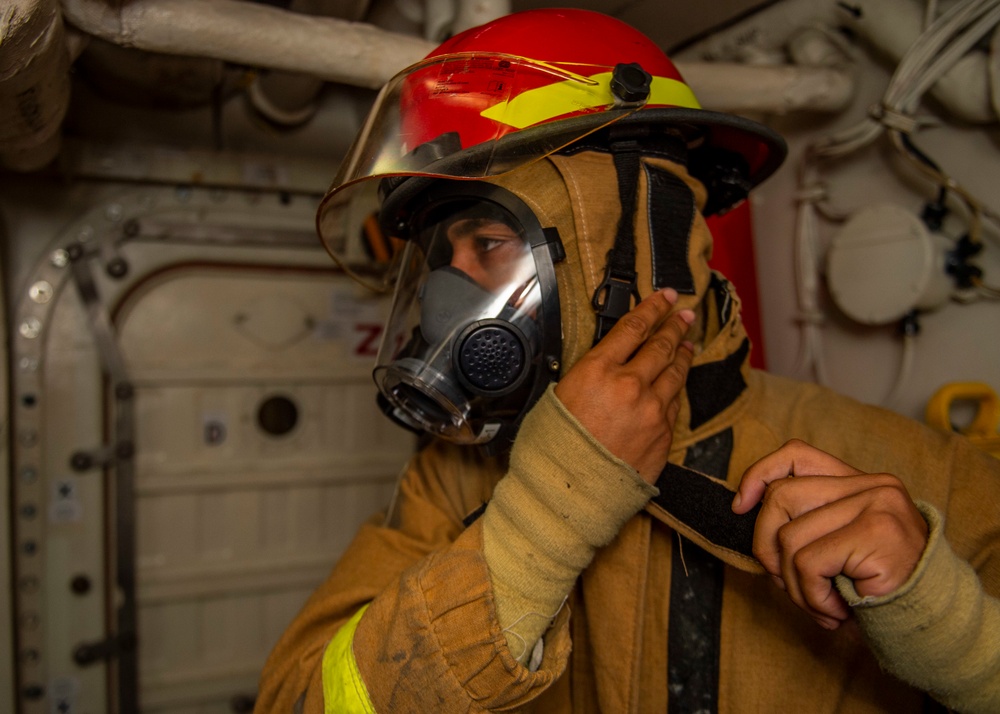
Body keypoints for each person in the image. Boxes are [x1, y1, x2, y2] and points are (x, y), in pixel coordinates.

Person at [255, 8, 1000, 713]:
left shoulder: (916, 479)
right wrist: (539, 519)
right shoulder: (454, 477)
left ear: (643, 241)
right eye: (441, 264)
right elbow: (300, 699)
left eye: (487, 246)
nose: (452, 303)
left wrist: (946, 624)